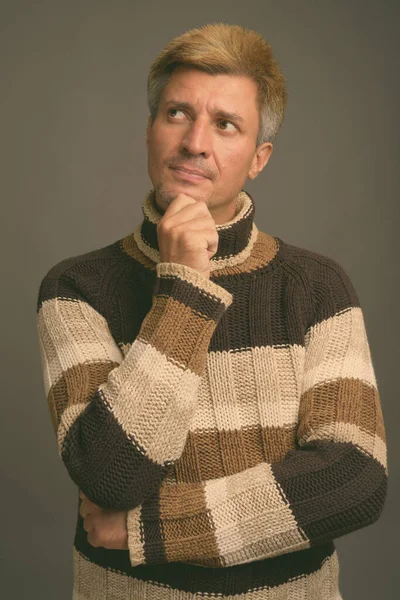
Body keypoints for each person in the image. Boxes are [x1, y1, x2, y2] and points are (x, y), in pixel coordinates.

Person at [36, 22, 388, 600]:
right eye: (177, 113)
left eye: (226, 125)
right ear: (150, 131)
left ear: (258, 158)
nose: (195, 142)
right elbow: (109, 472)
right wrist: (185, 289)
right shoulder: (76, 287)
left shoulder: (317, 286)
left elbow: (353, 480)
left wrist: (147, 528)